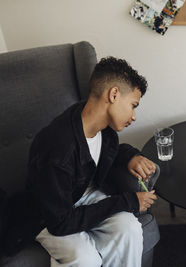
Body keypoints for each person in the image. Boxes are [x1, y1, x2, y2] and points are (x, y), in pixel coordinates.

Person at [27, 57, 158, 267]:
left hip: (83, 194)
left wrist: (130, 156)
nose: (134, 116)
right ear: (114, 94)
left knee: (130, 228)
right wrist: (128, 201)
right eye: (133, 105)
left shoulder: (99, 124)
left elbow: (99, 154)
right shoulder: (57, 149)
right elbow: (60, 222)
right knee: (84, 258)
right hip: (50, 214)